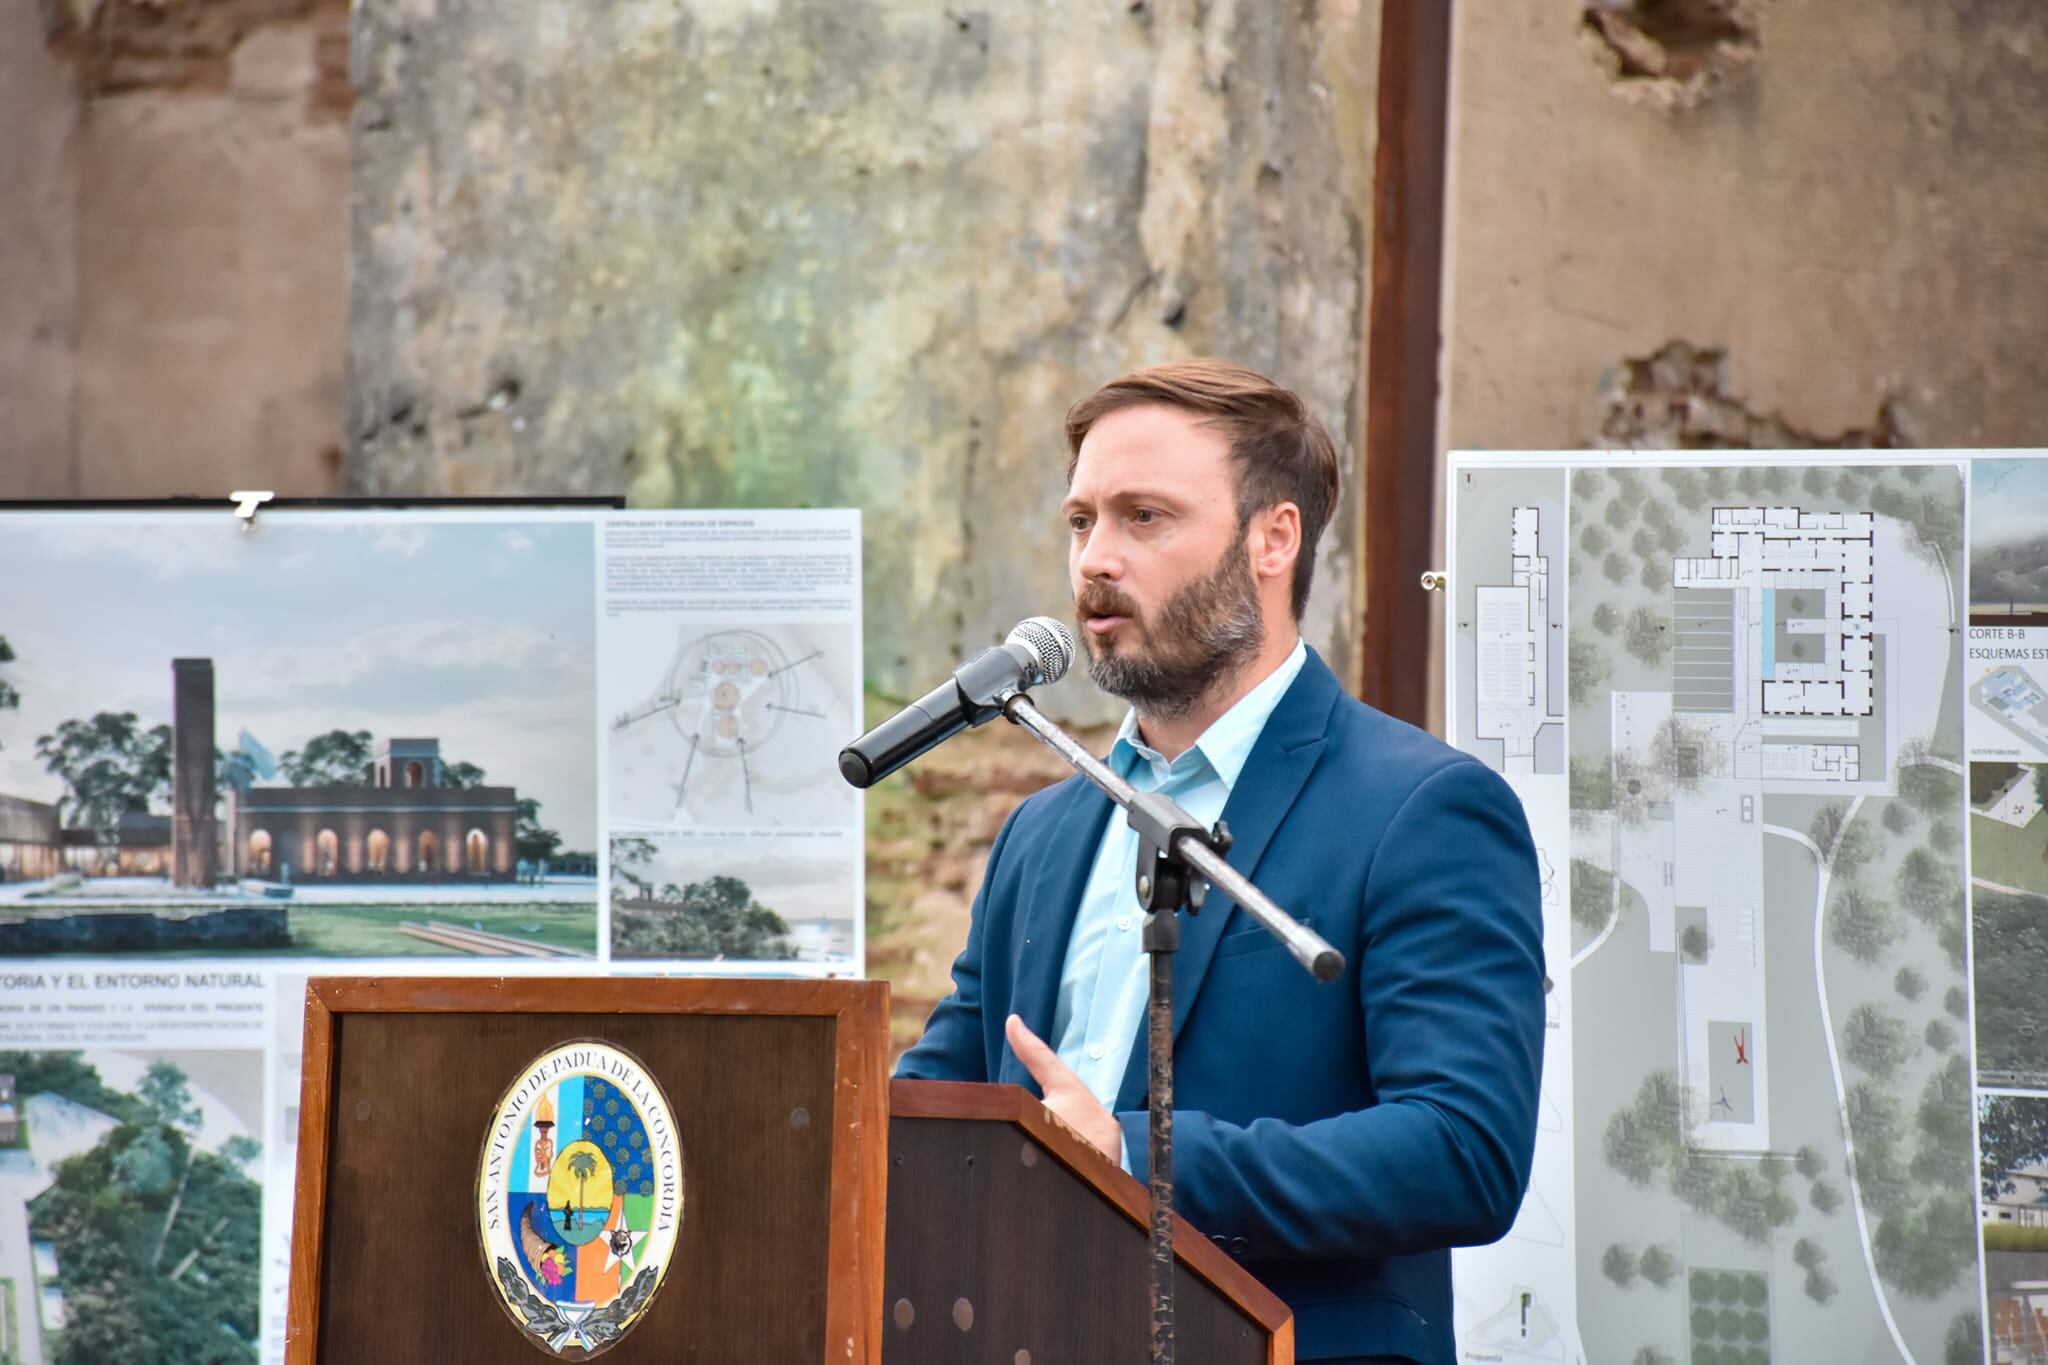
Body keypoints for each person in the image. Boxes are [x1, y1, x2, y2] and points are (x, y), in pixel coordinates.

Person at [894, 359, 1546, 1364]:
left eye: (1143, 517)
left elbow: (1462, 1150)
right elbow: (938, 1108)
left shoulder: (1419, 811)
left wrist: (1138, 1160)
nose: (1094, 561)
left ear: (1270, 539)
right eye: (1080, 522)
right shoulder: (1043, 834)